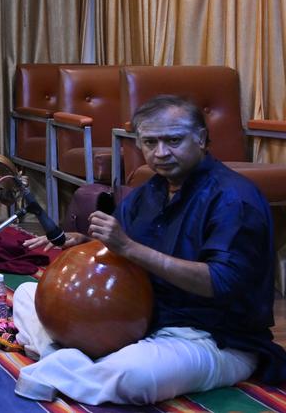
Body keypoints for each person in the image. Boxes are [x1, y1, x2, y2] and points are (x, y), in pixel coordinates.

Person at [14, 95, 286, 405]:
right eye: (150, 142)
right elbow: (120, 248)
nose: (161, 153)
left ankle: (64, 359)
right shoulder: (149, 192)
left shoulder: (234, 199)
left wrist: (128, 247)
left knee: (135, 376)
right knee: (27, 294)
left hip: (210, 337)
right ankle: (71, 364)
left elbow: (221, 282)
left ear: (200, 139)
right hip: (140, 319)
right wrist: (86, 242)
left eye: (173, 140)